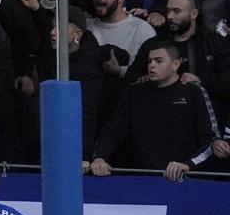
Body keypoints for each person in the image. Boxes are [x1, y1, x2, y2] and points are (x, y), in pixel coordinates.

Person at [89, 36, 227, 179]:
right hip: (140, 178)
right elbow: (112, 131)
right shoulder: (133, 93)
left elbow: (210, 140)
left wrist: (188, 165)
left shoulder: (194, 92)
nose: (151, 65)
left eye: (158, 61)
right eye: (149, 61)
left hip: (184, 180)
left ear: (175, 64)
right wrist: (99, 157)